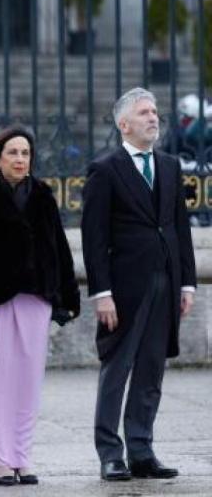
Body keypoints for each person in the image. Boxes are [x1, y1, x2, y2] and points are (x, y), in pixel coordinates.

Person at [82, 87, 196, 482]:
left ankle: (142, 450)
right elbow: (94, 238)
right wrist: (102, 293)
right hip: (124, 287)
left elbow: (179, 227)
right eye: (144, 113)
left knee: (151, 370)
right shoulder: (105, 169)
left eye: (154, 112)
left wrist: (187, 283)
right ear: (124, 124)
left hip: (166, 281)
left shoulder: (169, 165)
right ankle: (110, 453)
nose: (153, 118)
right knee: (117, 369)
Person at [0, 126, 80, 486]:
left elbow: (59, 248)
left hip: (36, 300)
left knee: (27, 384)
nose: (20, 159)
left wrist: (68, 296)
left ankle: (21, 456)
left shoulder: (43, 196)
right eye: (12, 152)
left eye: (25, 153)